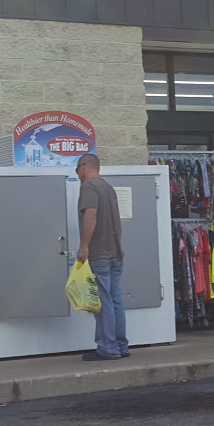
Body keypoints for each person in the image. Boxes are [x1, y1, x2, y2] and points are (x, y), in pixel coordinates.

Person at [74, 153, 127, 360]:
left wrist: (84, 247)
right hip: (115, 253)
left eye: (77, 170)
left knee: (103, 303)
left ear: (83, 166)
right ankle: (121, 346)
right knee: (116, 301)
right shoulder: (108, 187)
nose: (78, 174)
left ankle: (107, 348)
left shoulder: (89, 186)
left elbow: (91, 214)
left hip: (99, 254)